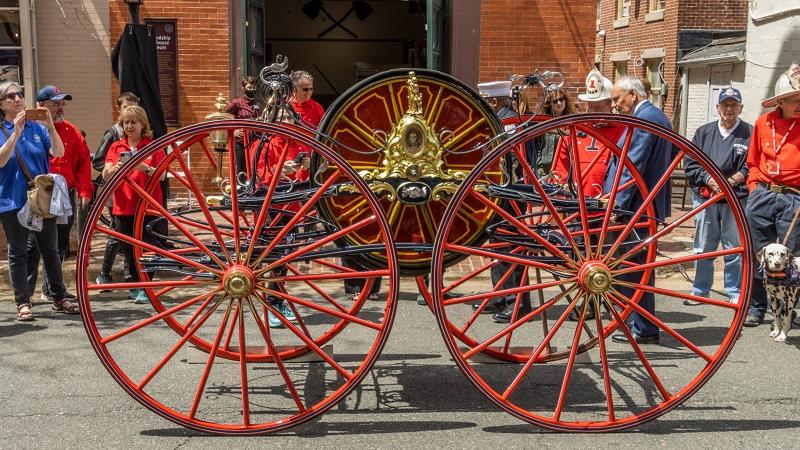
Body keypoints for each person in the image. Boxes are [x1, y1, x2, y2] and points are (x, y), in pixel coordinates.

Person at [606, 76, 673, 344]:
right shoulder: (652, 115)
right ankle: (638, 323)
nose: (614, 104)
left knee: (637, 266)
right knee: (634, 266)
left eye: (617, 98)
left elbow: (633, 165)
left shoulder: (646, 118)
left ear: (633, 94)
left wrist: (616, 204)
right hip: (639, 204)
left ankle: (644, 327)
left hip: (637, 206)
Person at [0, 81, 73, 320]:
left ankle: (59, 296)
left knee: (50, 249)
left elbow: (59, 152)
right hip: (13, 199)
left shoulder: (37, 127)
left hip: (41, 199)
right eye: (10, 96)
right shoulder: (2, 129)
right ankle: (23, 302)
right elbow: (1, 160)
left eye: (19, 93)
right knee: (18, 251)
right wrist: (16, 132)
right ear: (1, 104)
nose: (17, 98)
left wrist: (50, 127)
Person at [743, 62, 800, 327]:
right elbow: (752, 161)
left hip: (794, 198)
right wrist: (754, 190)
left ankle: (788, 308)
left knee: (791, 255)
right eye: (794, 99)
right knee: (759, 253)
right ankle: (757, 307)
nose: (799, 104)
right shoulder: (763, 123)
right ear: (781, 101)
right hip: (763, 194)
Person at [683, 87, 751, 306]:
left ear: (740, 108)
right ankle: (700, 290)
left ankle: (734, 290)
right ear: (718, 108)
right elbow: (690, 162)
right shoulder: (703, 132)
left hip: (736, 198)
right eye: (725, 105)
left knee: (734, 247)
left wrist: (730, 183)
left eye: (733, 105)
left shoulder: (749, 133)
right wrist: (710, 180)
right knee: (703, 246)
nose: (729, 109)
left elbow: (752, 165)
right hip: (706, 197)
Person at [26, 85, 93, 303]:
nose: (60, 108)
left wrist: (85, 190)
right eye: (55, 104)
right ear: (41, 106)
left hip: (65, 194)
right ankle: (25, 294)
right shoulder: (30, 129)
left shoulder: (72, 130)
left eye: (61, 104)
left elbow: (83, 162)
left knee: (60, 243)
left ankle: (52, 289)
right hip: (40, 194)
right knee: (33, 244)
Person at [102, 105, 166, 304]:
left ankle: (145, 286)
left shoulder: (152, 146)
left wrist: (143, 166)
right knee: (128, 248)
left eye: (133, 122)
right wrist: (114, 168)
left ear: (142, 124)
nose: (129, 126)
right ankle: (136, 285)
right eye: (126, 122)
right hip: (124, 204)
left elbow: (162, 175)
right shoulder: (116, 147)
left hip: (148, 205)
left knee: (149, 247)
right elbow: (105, 175)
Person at [93, 92, 139, 287]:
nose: (128, 112)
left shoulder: (139, 130)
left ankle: (130, 278)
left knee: (130, 235)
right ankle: (105, 272)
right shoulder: (113, 133)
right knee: (117, 232)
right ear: (119, 110)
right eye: (124, 108)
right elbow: (98, 161)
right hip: (115, 190)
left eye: (132, 107)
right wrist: (115, 165)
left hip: (135, 190)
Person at [534, 86, 575, 176]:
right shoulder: (543, 120)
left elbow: (574, 135)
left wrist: (551, 129)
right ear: (549, 104)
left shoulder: (571, 120)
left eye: (561, 99)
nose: (559, 103)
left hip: (564, 169)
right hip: (543, 170)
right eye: (555, 101)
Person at [226, 76, 260, 175]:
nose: (252, 89)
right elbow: (224, 117)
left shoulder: (258, 103)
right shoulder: (236, 103)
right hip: (241, 141)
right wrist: (233, 132)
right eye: (250, 87)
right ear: (243, 89)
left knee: (254, 168)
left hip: (255, 141)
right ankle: (241, 190)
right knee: (242, 169)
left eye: (254, 87)